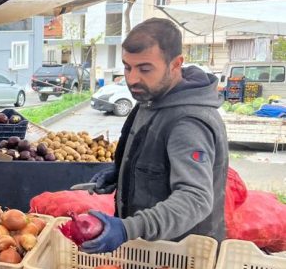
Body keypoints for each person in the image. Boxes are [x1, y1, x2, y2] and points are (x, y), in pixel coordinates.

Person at [83, 18, 228, 254]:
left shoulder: (189, 122)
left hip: (180, 260)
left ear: (176, 64)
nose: (132, 79)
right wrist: (123, 175)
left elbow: (195, 198)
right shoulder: (152, 98)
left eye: (145, 69)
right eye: (127, 67)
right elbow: (156, 157)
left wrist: (129, 228)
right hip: (147, 253)